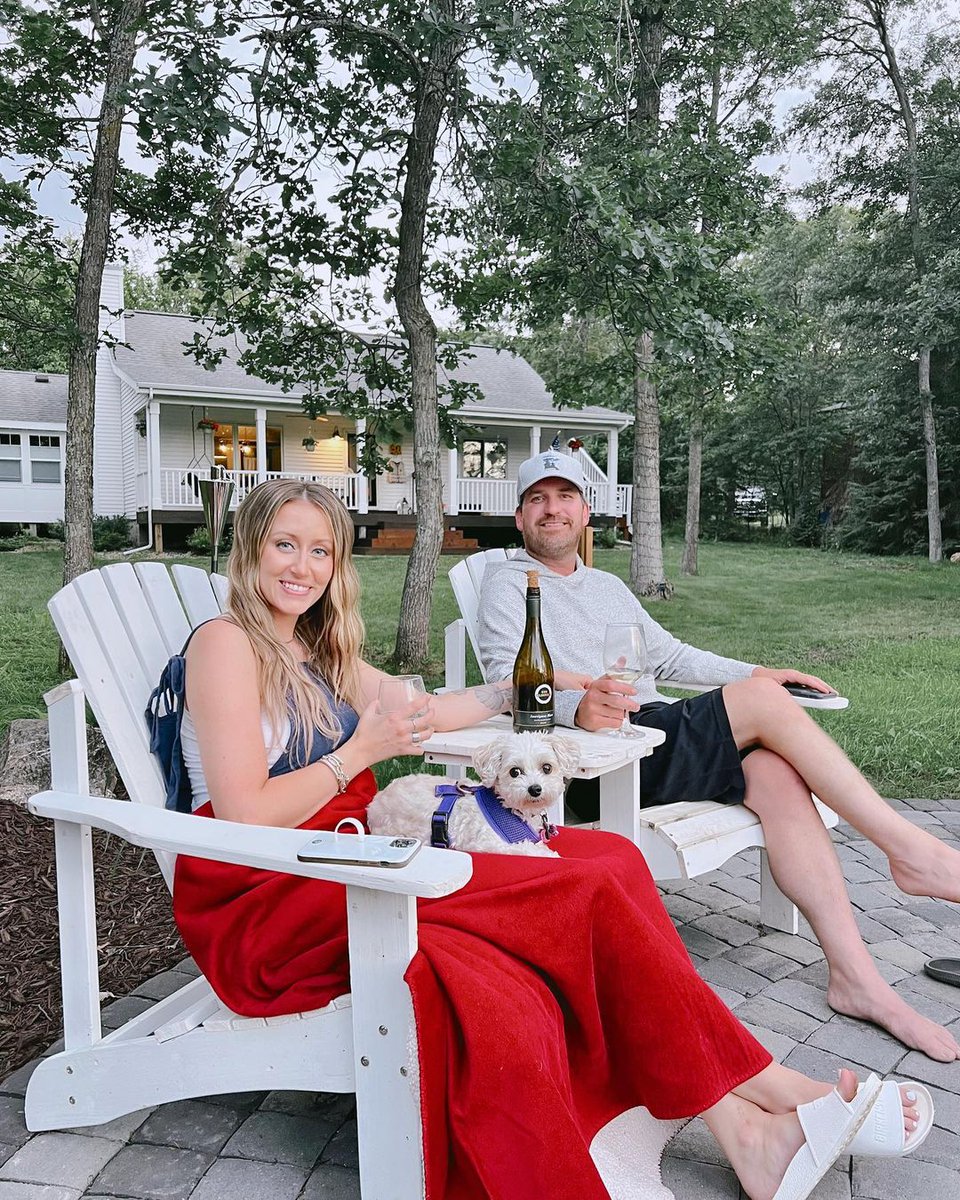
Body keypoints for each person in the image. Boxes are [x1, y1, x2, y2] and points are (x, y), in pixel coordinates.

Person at [165, 478, 922, 1200]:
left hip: (351, 857)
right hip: (274, 893)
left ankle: (745, 1129)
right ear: (250, 548)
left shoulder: (316, 648)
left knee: (612, 857)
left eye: (321, 550)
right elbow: (244, 814)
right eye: (285, 545)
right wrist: (358, 753)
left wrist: (521, 688)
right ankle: (769, 1093)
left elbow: (426, 709)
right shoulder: (226, 644)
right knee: (574, 886)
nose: (302, 567)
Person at [477, 450, 960, 1065]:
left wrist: (757, 673)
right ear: (520, 517)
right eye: (538, 499)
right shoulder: (507, 583)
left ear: (585, 512)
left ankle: (855, 977)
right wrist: (575, 707)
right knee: (761, 712)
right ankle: (912, 851)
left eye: (564, 496)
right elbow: (505, 678)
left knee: (774, 773)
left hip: (647, 735)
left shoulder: (606, 586)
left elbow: (671, 656)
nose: (552, 509)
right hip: (588, 762)